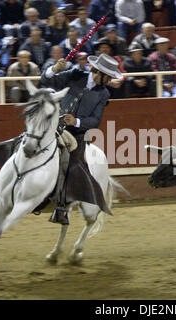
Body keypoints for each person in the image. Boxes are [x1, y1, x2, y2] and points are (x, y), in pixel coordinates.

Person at [40, 53, 123, 224]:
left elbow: (95, 121)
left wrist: (76, 121)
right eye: (108, 77)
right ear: (98, 73)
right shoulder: (75, 74)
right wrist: (54, 69)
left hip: (76, 134)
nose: (110, 81)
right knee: (28, 141)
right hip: (53, 124)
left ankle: (61, 207)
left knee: (72, 164)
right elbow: (47, 80)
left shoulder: (104, 93)